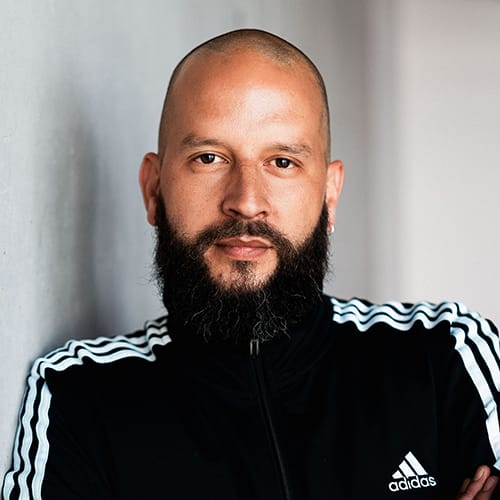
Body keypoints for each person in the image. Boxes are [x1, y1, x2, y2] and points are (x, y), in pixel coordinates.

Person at [2, 29, 499, 500]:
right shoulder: (78, 395)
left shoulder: (446, 356)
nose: (245, 201)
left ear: (329, 195)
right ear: (154, 189)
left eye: (282, 162)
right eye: (209, 158)